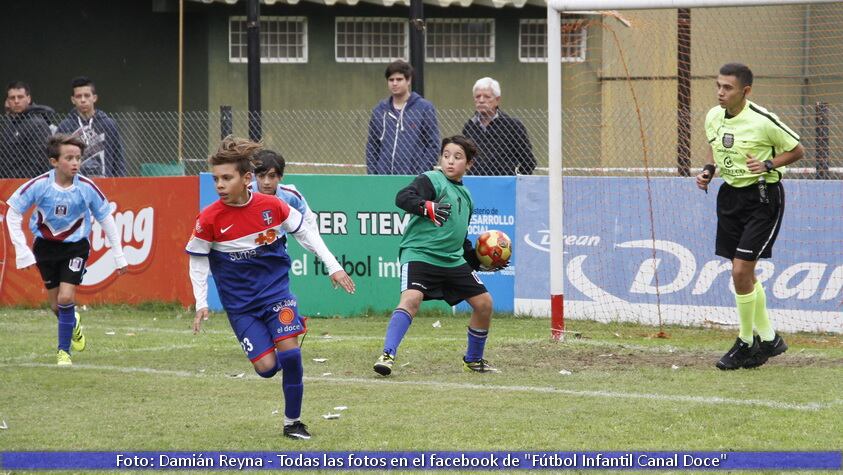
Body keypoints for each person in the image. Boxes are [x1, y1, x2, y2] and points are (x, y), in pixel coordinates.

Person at [187, 137, 355, 440]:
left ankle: (293, 422)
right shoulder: (209, 218)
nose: (220, 185)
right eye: (216, 179)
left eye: (227, 178)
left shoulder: (273, 206)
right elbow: (198, 261)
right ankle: (279, 348)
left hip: (276, 294)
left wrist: (334, 265)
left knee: (291, 356)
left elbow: (306, 233)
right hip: (240, 306)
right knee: (266, 367)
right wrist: (201, 301)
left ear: (245, 178)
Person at [696, 63, 804, 370]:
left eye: (727, 88)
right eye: (718, 85)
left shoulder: (762, 120)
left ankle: (746, 342)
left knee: (741, 271)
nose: (720, 92)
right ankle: (769, 339)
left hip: (762, 198)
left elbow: (797, 150)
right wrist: (708, 171)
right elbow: (713, 147)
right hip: (730, 196)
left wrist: (768, 164)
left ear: (745, 91)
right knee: (742, 272)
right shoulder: (714, 116)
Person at [373, 135, 505, 377]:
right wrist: (426, 206)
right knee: (411, 300)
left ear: (469, 164)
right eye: (446, 156)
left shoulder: (467, 197)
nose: (450, 162)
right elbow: (403, 198)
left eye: (457, 157)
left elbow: (460, 240)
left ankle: (473, 360)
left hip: (451, 260)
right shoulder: (432, 179)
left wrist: (482, 262)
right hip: (421, 255)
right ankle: (387, 354)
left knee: (484, 304)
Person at [5, 134, 128, 366]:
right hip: (45, 249)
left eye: (78, 158)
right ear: (54, 161)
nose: (75, 163)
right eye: (69, 158)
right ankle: (74, 322)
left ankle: (64, 352)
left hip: (75, 248)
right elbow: (13, 212)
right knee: (56, 306)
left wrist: (119, 255)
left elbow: (106, 219)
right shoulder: (39, 185)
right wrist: (21, 249)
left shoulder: (87, 187)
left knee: (65, 297)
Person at [365, 60, 440, 175]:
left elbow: (433, 145)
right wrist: (373, 174)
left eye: (399, 79)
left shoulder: (424, 108)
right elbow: (372, 146)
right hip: (383, 178)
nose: (394, 83)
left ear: (408, 80)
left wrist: (421, 174)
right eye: (391, 80)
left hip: (413, 178)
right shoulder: (379, 110)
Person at [461, 77, 536, 176]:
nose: (481, 100)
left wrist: (514, 180)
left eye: (487, 97)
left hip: (504, 185)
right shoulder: (469, 127)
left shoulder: (512, 126)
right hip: (476, 184)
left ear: (497, 100)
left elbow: (529, 162)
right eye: (477, 96)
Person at [56, 76, 127, 177]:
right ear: (73, 100)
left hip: (105, 184)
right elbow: (57, 159)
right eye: (78, 96)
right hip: (74, 185)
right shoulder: (65, 126)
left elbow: (118, 158)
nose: (83, 100)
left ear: (94, 98)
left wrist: (120, 183)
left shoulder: (109, 124)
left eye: (87, 95)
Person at [1, 81, 54, 178]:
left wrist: (22, 183)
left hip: (27, 185)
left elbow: (39, 162)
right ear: (8, 101)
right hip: (6, 184)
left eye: (20, 97)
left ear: (28, 99)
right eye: (12, 98)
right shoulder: (9, 125)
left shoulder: (38, 124)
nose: (16, 101)